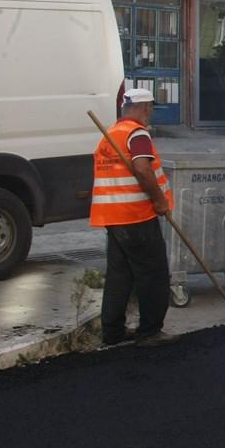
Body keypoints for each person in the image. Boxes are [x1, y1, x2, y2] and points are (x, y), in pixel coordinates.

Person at [91, 87, 177, 346]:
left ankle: (113, 332)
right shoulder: (137, 133)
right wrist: (159, 200)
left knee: (120, 276)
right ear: (145, 108)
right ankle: (150, 331)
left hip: (113, 217)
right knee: (153, 274)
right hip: (136, 216)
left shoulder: (111, 135)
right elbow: (141, 168)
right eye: (150, 108)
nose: (150, 114)